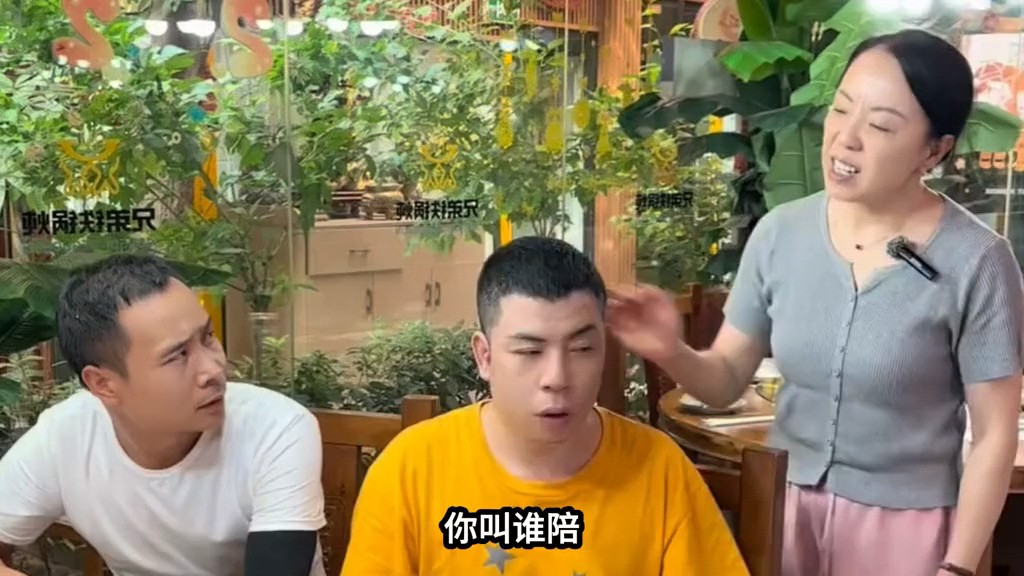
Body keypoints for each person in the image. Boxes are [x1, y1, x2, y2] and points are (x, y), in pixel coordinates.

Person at [607, 29, 1024, 576]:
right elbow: (726, 380)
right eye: (841, 109)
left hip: (908, 531)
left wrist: (958, 568)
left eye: (880, 126)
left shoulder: (978, 260)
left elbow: (995, 434)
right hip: (783, 518)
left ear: (934, 150)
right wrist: (670, 349)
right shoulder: (780, 233)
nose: (846, 139)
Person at [340, 236, 749, 576]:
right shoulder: (409, 469)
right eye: (530, 351)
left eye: (582, 348)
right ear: (485, 357)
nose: (557, 377)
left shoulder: (658, 467)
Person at [0, 254, 327, 576]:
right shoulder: (66, 434)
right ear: (103, 384)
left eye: (208, 337)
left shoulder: (276, 428)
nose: (213, 369)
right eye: (178, 355)